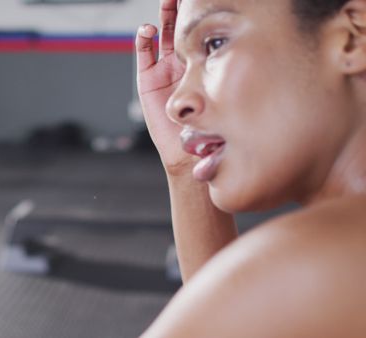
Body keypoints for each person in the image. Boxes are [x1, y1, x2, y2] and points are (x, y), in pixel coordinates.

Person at [135, 0, 366, 336]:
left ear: (351, 38)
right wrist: (186, 169)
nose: (175, 103)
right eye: (185, 66)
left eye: (214, 44)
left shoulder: (316, 261)